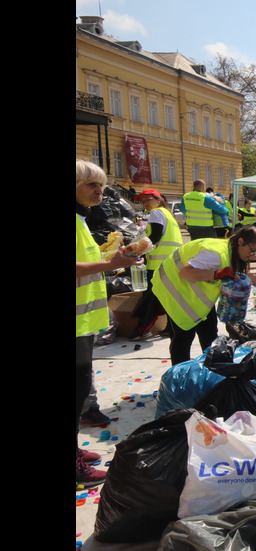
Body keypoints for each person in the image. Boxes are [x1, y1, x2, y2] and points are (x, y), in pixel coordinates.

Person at [76, 160, 142, 487]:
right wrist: (109, 262)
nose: (99, 190)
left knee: (79, 388)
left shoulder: (81, 219)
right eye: (91, 184)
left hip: (83, 321)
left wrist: (112, 259)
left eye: (100, 184)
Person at [152, 226, 256, 365]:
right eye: (252, 251)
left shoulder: (231, 251)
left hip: (195, 296)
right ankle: (180, 376)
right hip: (174, 288)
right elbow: (185, 273)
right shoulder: (215, 254)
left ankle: (212, 370)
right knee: (183, 338)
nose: (252, 256)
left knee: (210, 333)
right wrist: (216, 275)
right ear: (241, 241)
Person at [132, 189, 182, 340]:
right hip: (172, 262)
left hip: (159, 264)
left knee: (151, 298)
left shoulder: (156, 213)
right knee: (168, 298)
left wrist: (136, 250)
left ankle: (142, 330)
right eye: (143, 201)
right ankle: (170, 328)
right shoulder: (168, 215)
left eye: (148, 200)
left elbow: (154, 236)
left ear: (158, 199)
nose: (146, 204)